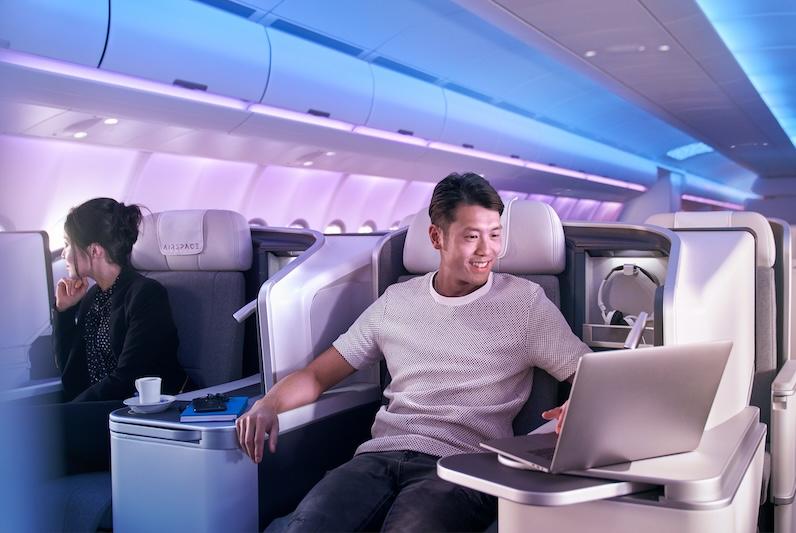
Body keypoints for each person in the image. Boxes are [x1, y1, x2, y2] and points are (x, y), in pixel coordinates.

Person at [236, 173, 590, 531]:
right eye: (471, 237)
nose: (487, 250)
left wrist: (578, 405)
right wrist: (268, 404)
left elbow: (588, 375)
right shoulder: (397, 302)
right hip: (376, 458)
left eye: (495, 235)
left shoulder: (524, 303)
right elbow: (317, 375)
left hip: (461, 466)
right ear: (437, 237)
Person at [51, 198, 186, 472]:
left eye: (67, 244)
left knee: (30, 435)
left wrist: (67, 413)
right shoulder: (92, 298)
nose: (64, 254)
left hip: (134, 417)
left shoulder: (146, 295)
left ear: (95, 250)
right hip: (100, 413)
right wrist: (64, 312)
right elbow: (71, 376)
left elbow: (127, 379)